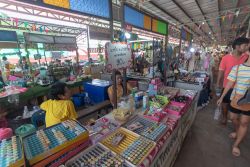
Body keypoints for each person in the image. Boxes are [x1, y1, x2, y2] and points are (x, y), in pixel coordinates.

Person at [217, 49, 250, 157]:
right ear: (248, 52)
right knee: (233, 117)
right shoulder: (238, 68)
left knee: (244, 122)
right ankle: (237, 130)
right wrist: (222, 97)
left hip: (249, 101)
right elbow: (230, 83)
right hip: (236, 98)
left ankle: (236, 145)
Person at [216, 37, 249, 124]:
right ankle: (224, 117)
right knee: (224, 104)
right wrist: (218, 83)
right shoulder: (225, 58)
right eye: (245, 45)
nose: (247, 47)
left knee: (237, 106)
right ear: (238, 47)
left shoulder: (246, 57)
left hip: (240, 89)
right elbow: (221, 71)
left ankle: (235, 120)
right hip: (227, 85)